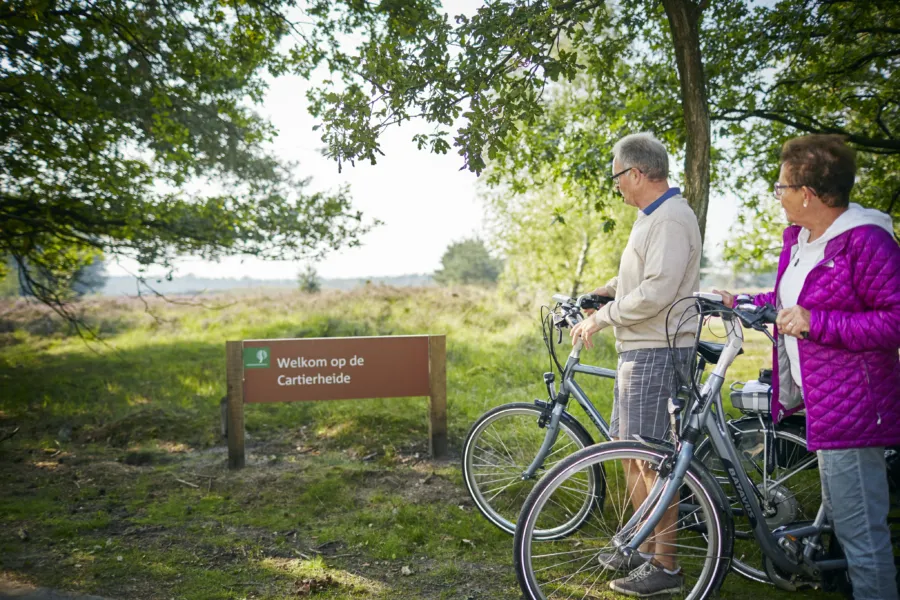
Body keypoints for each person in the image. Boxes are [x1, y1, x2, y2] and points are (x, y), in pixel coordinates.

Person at [716, 134, 900, 600]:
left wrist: (818, 323)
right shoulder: (802, 240)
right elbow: (789, 303)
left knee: (862, 538)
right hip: (822, 401)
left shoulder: (866, 241)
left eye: (781, 187)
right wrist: (739, 301)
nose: (777, 196)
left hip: (856, 408)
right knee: (844, 521)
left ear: (808, 194)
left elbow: (894, 319)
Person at [571, 132, 702, 597]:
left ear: (636, 174)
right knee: (628, 453)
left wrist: (602, 318)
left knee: (652, 461)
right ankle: (643, 548)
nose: (617, 186)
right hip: (640, 350)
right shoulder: (651, 217)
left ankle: (665, 565)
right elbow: (639, 276)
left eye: (617, 176)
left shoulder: (669, 218)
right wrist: (606, 290)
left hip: (656, 350)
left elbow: (657, 292)